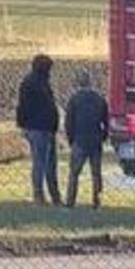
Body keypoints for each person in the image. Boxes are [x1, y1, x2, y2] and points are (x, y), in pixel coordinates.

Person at [15, 54, 61, 205]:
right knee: (42, 164)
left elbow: (21, 108)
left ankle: (50, 196)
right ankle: (41, 196)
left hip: (42, 128)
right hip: (41, 129)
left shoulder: (32, 81)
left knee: (45, 164)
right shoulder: (37, 83)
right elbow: (41, 106)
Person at [63, 70, 109, 209]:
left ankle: (70, 202)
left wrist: (71, 139)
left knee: (74, 173)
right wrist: (103, 137)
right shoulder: (99, 98)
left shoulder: (74, 99)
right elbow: (106, 120)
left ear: (78, 83)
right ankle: (97, 202)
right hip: (95, 140)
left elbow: (68, 122)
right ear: (90, 82)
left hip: (79, 139)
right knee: (96, 174)